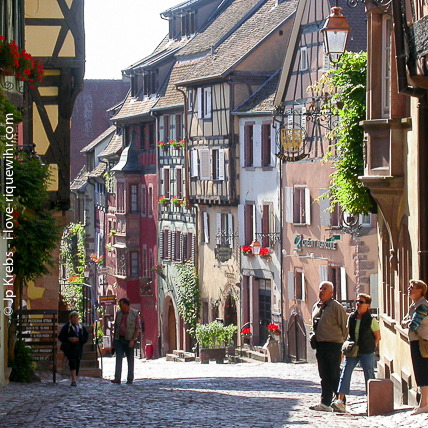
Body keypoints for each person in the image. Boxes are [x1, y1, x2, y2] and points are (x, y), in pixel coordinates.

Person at [332, 293, 381, 413]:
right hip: (353, 350)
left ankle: (371, 402)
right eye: (357, 302)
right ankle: (340, 400)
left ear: (367, 305)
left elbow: (377, 337)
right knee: (345, 372)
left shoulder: (372, 320)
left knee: (369, 376)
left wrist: (370, 346)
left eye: (361, 302)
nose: (358, 304)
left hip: (367, 351)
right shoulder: (352, 318)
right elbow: (349, 334)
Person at [309, 281, 348, 412]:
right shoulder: (316, 306)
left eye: (324, 289)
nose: (321, 291)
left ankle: (340, 402)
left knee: (335, 375)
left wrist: (342, 345)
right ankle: (325, 402)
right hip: (321, 346)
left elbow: (344, 327)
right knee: (324, 375)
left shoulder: (336, 307)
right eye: (320, 288)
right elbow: (313, 324)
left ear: (331, 293)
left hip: (334, 345)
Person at [401, 279, 428, 415]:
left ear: (420, 291)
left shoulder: (422, 306)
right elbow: (403, 322)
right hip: (416, 341)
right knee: (420, 371)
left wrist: (407, 323)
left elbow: (413, 325)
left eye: (412, 287)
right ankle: (423, 403)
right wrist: (406, 323)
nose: (409, 289)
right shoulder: (415, 305)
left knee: (422, 371)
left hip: (422, 342)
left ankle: (425, 404)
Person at [111, 297, 141, 385]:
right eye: (120, 305)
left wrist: (133, 340)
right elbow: (116, 326)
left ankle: (130, 378)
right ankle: (117, 378)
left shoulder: (135, 314)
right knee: (118, 358)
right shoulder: (119, 313)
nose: (120, 307)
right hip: (119, 339)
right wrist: (114, 341)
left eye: (122, 305)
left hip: (129, 340)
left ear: (127, 305)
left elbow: (137, 328)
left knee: (130, 360)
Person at [58, 311, 88, 386]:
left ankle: (75, 376)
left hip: (78, 348)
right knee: (72, 363)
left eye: (76, 317)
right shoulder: (67, 326)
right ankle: (74, 380)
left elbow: (85, 336)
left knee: (77, 363)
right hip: (70, 349)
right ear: (71, 318)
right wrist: (69, 339)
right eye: (73, 317)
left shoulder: (81, 327)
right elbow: (61, 336)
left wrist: (79, 340)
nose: (75, 319)